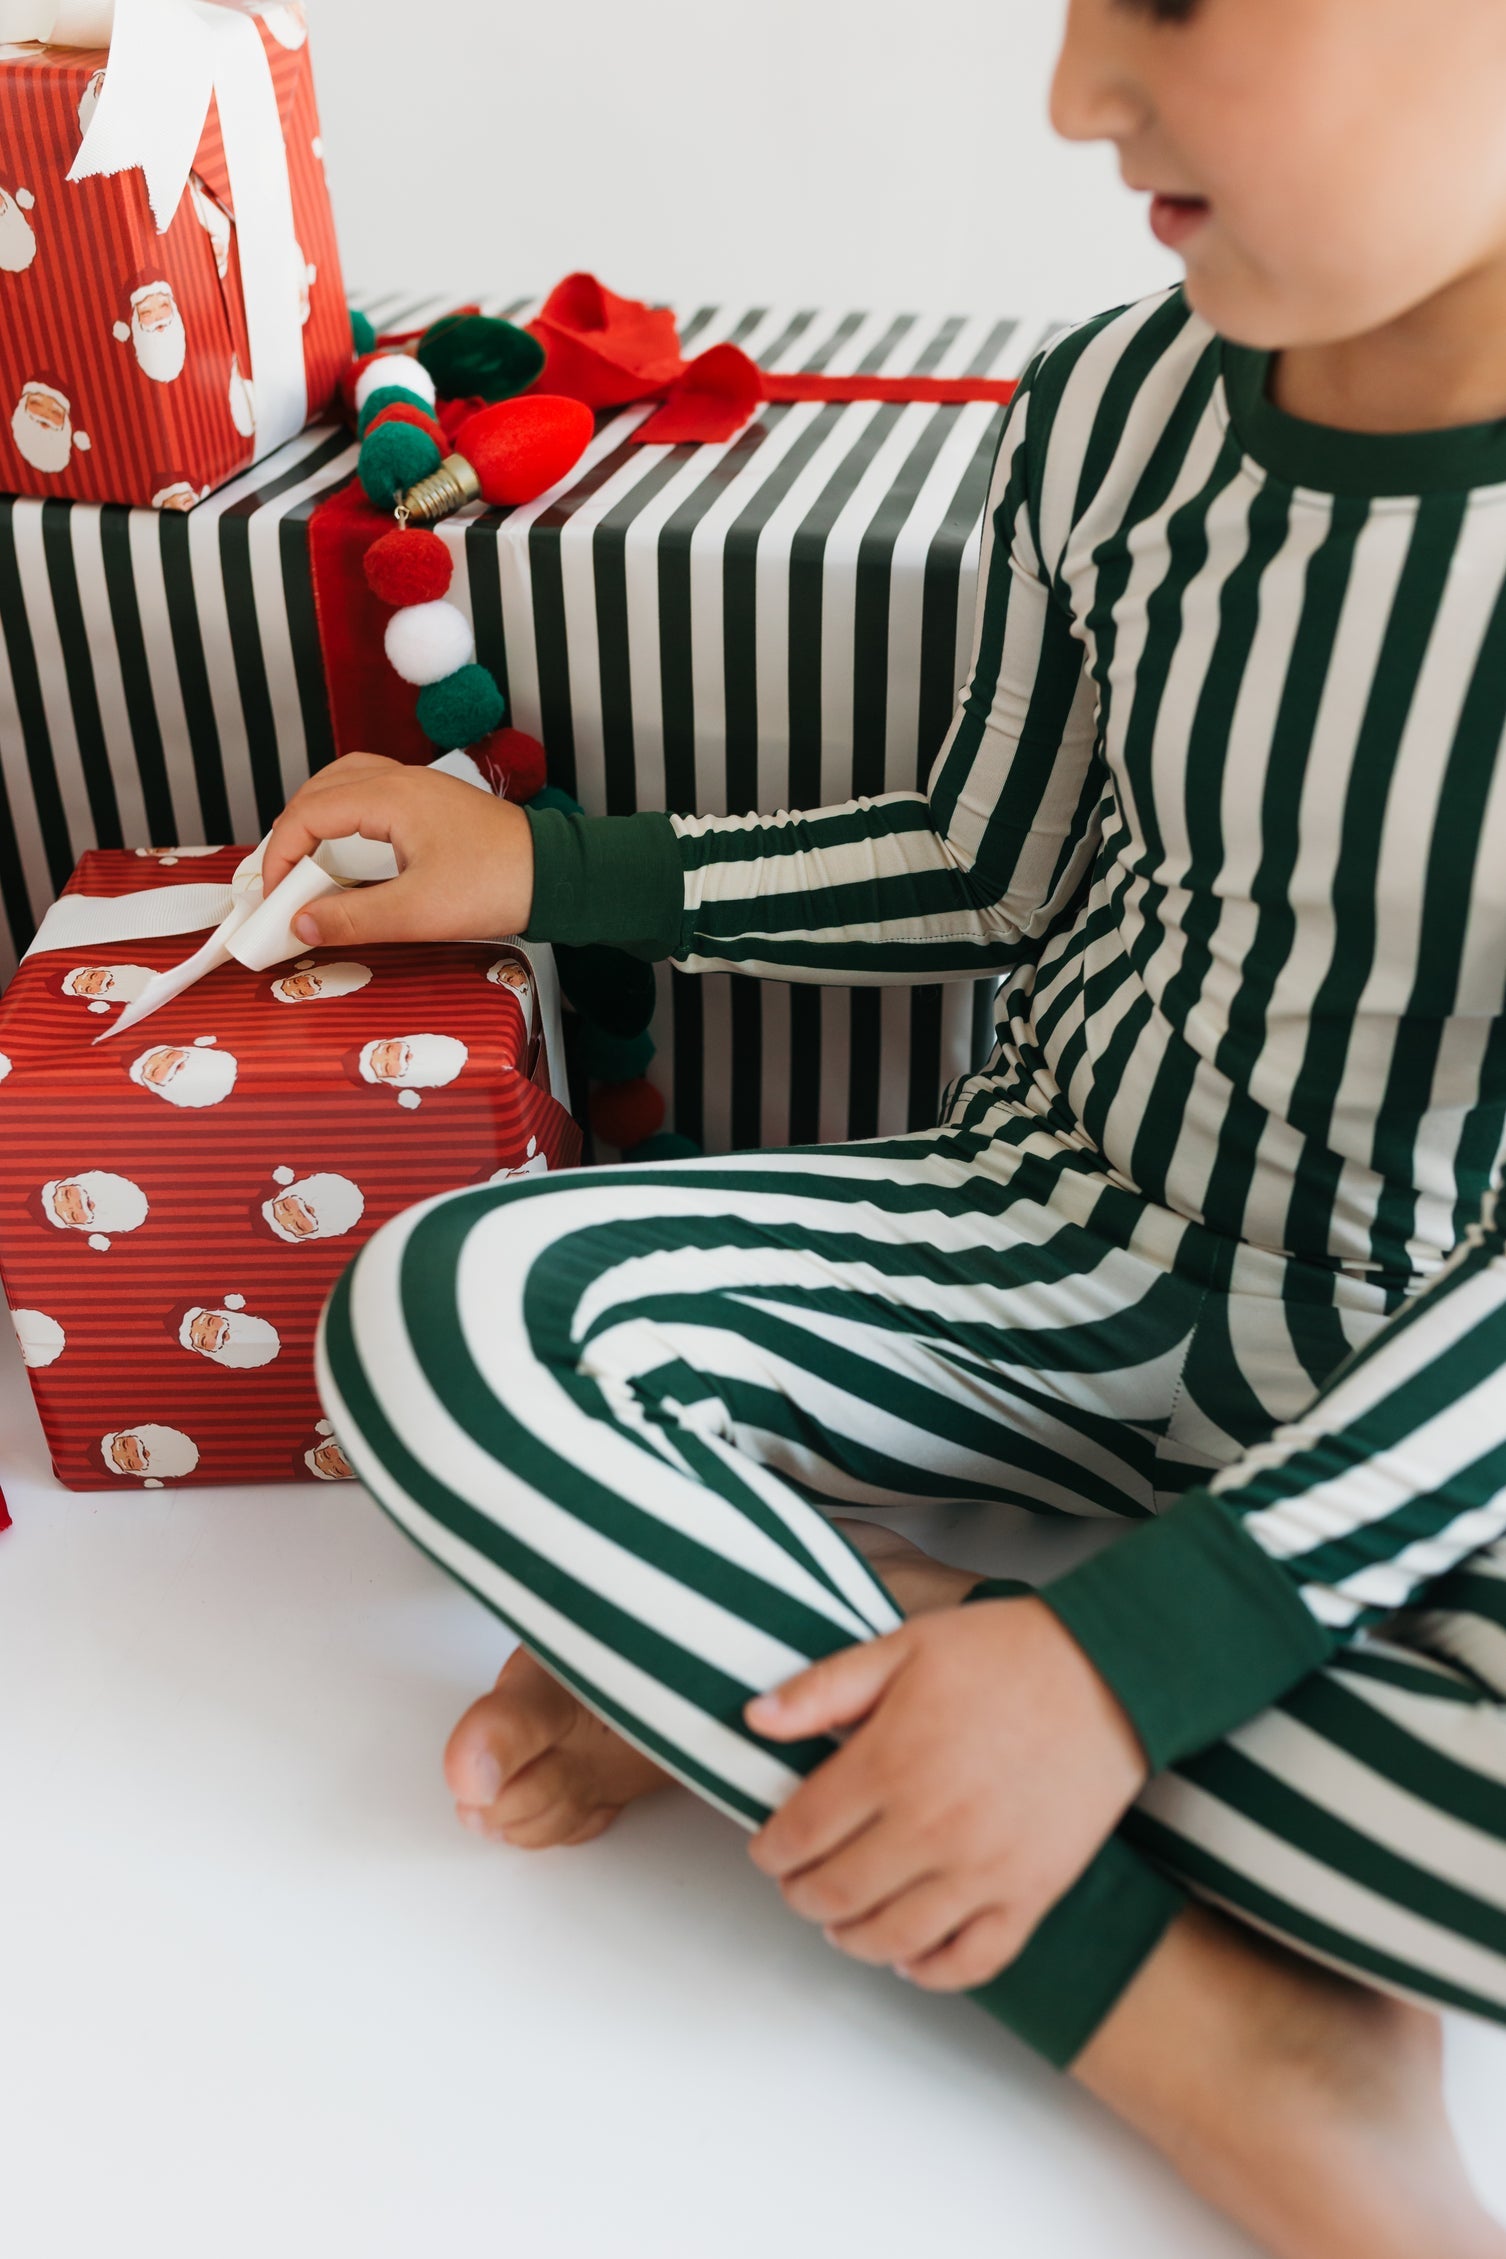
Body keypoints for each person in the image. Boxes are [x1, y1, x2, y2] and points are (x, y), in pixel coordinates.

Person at [263, 5, 1506, 2252]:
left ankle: (792, 1640)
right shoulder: (1116, 417)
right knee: (442, 1312)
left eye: (1180, 2)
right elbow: (997, 861)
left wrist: (1132, 1654)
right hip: (1037, 1229)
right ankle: (1203, 2029)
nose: (1070, 96)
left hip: (1427, 1388)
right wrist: (553, 871)